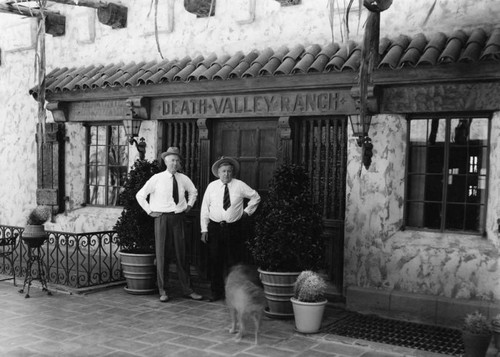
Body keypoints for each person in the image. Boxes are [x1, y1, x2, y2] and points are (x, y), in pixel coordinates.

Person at [136, 147, 202, 302]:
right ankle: (163, 290)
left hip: (178, 218)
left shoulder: (183, 178)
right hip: (162, 219)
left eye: (177, 160)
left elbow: (194, 192)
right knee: (162, 255)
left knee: (182, 254)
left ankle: (187, 289)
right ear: (166, 162)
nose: (175, 163)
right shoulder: (157, 178)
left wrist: (190, 206)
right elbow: (140, 195)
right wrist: (149, 211)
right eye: (172, 160)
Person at [200, 156, 261, 301]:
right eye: (223, 171)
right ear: (218, 173)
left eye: (229, 171)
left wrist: (247, 212)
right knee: (215, 261)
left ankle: (234, 294)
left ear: (232, 172)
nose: (226, 174)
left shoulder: (239, 185)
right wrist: (204, 229)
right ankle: (216, 293)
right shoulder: (212, 187)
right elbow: (204, 208)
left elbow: (256, 197)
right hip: (215, 228)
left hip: (234, 229)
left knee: (234, 261)